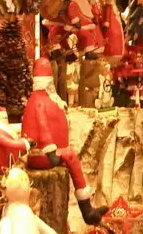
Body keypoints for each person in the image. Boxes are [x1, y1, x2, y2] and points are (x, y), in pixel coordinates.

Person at [22, 57, 107, 224]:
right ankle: (87, 210)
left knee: (70, 156)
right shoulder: (39, 101)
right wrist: (50, 149)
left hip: (44, 152)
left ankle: (87, 209)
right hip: (41, 155)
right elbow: (42, 125)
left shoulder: (41, 99)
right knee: (71, 157)